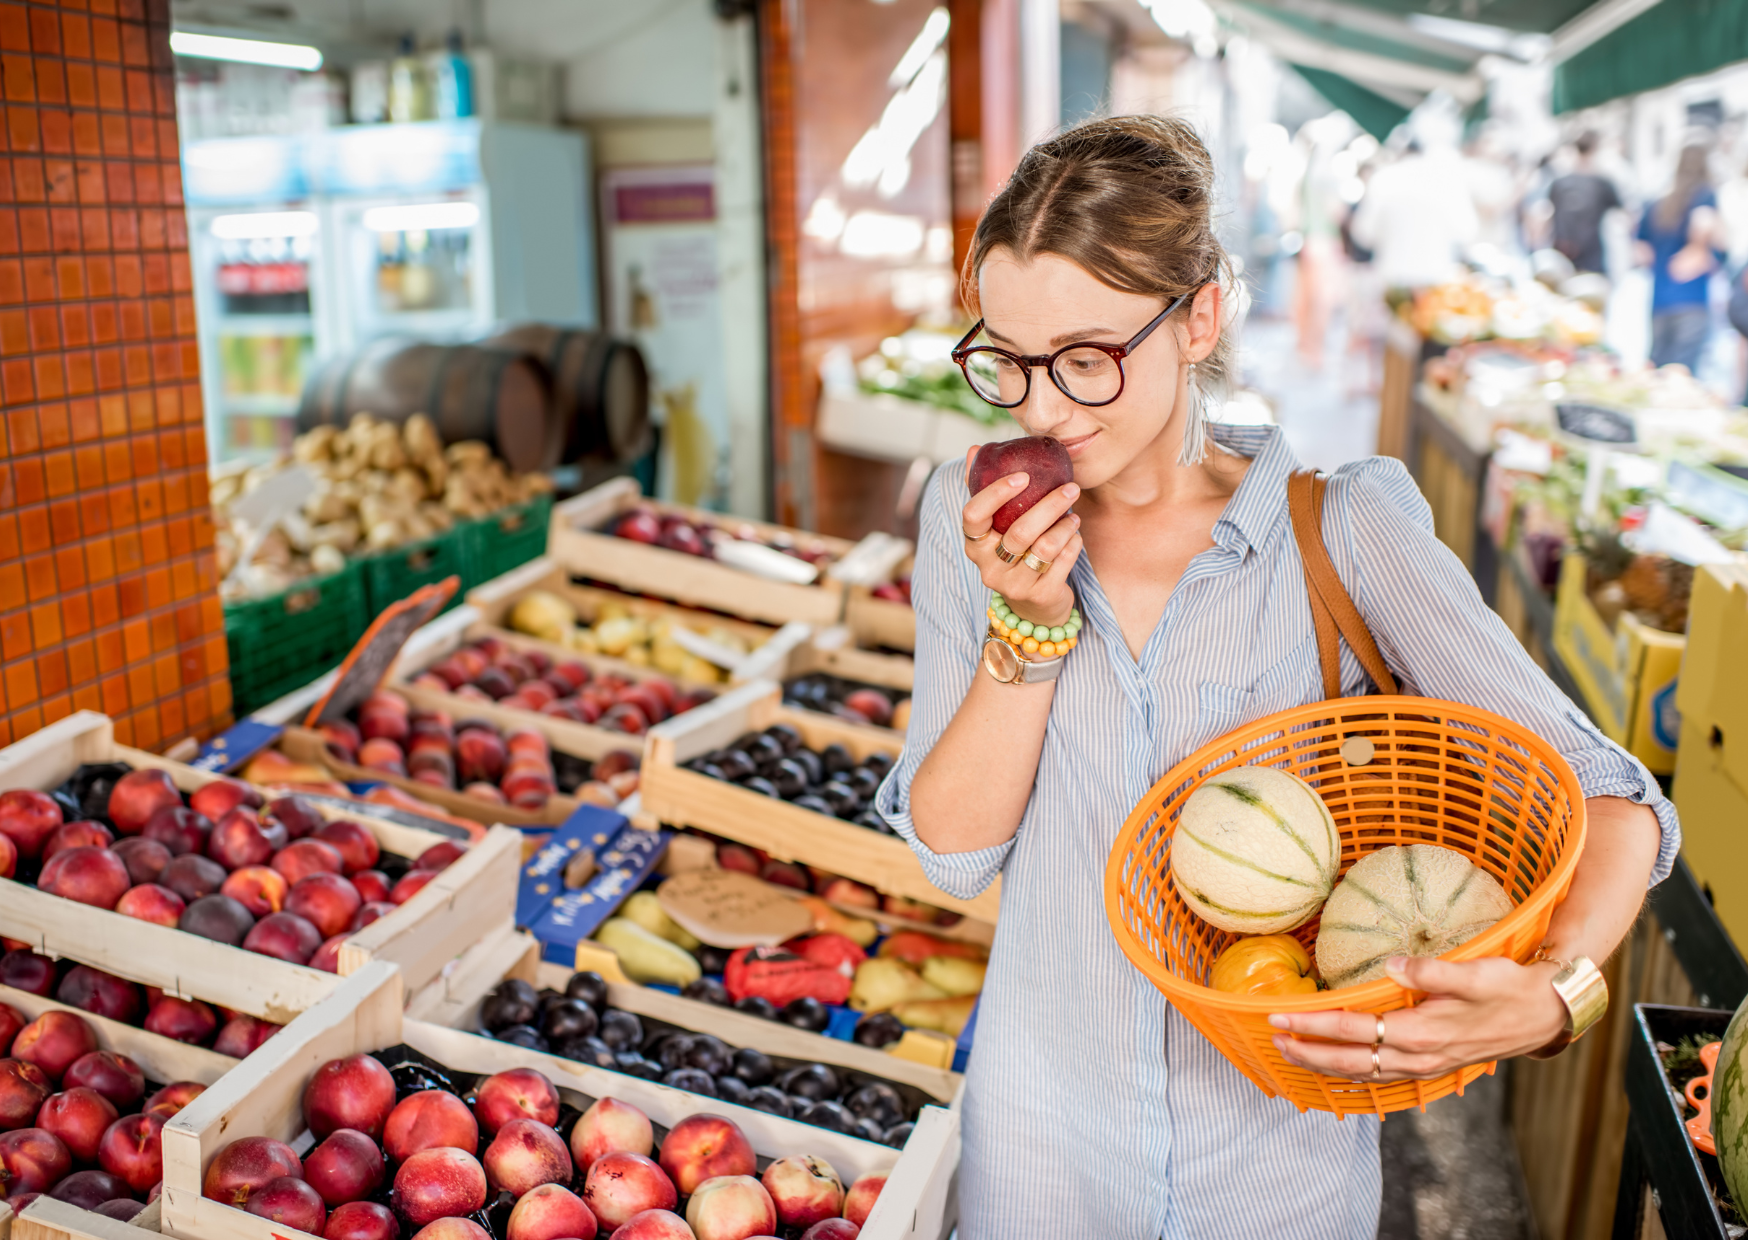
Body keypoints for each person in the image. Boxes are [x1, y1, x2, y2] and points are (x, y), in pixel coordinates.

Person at [875, 115, 1676, 1238]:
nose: (1040, 408)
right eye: (1005, 359)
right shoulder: (975, 522)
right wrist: (1027, 624)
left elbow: (1609, 794)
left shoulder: (1339, 532)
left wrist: (1555, 995)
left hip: (1271, 1179)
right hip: (1038, 1146)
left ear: (1198, 316)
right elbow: (951, 853)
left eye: (1086, 358)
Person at [1636, 143, 1723, 373]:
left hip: (1660, 300)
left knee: (1657, 367)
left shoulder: (1658, 202)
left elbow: (1641, 250)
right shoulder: (1704, 195)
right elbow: (1703, 221)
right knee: (1681, 375)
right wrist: (1697, 249)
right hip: (1691, 298)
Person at [1348, 139, 1478, 290]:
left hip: (1391, 280)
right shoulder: (1446, 181)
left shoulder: (1383, 178)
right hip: (1436, 278)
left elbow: (1363, 234)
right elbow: (1467, 232)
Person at [1546, 131, 1621, 275]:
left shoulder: (1559, 183)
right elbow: (1623, 216)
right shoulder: (1602, 184)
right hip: (1592, 256)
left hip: (1562, 253)